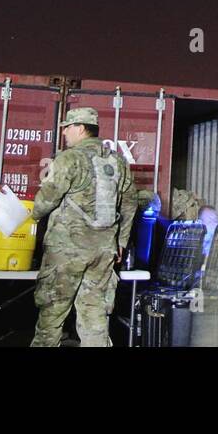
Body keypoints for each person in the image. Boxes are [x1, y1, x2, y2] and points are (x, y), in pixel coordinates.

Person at [30, 107, 141, 347]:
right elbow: (130, 203)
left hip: (67, 251)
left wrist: (32, 215)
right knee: (94, 316)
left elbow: (45, 202)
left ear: (80, 128)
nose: (65, 134)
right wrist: (121, 241)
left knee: (52, 315)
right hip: (103, 252)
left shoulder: (69, 158)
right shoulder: (118, 161)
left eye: (67, 128)